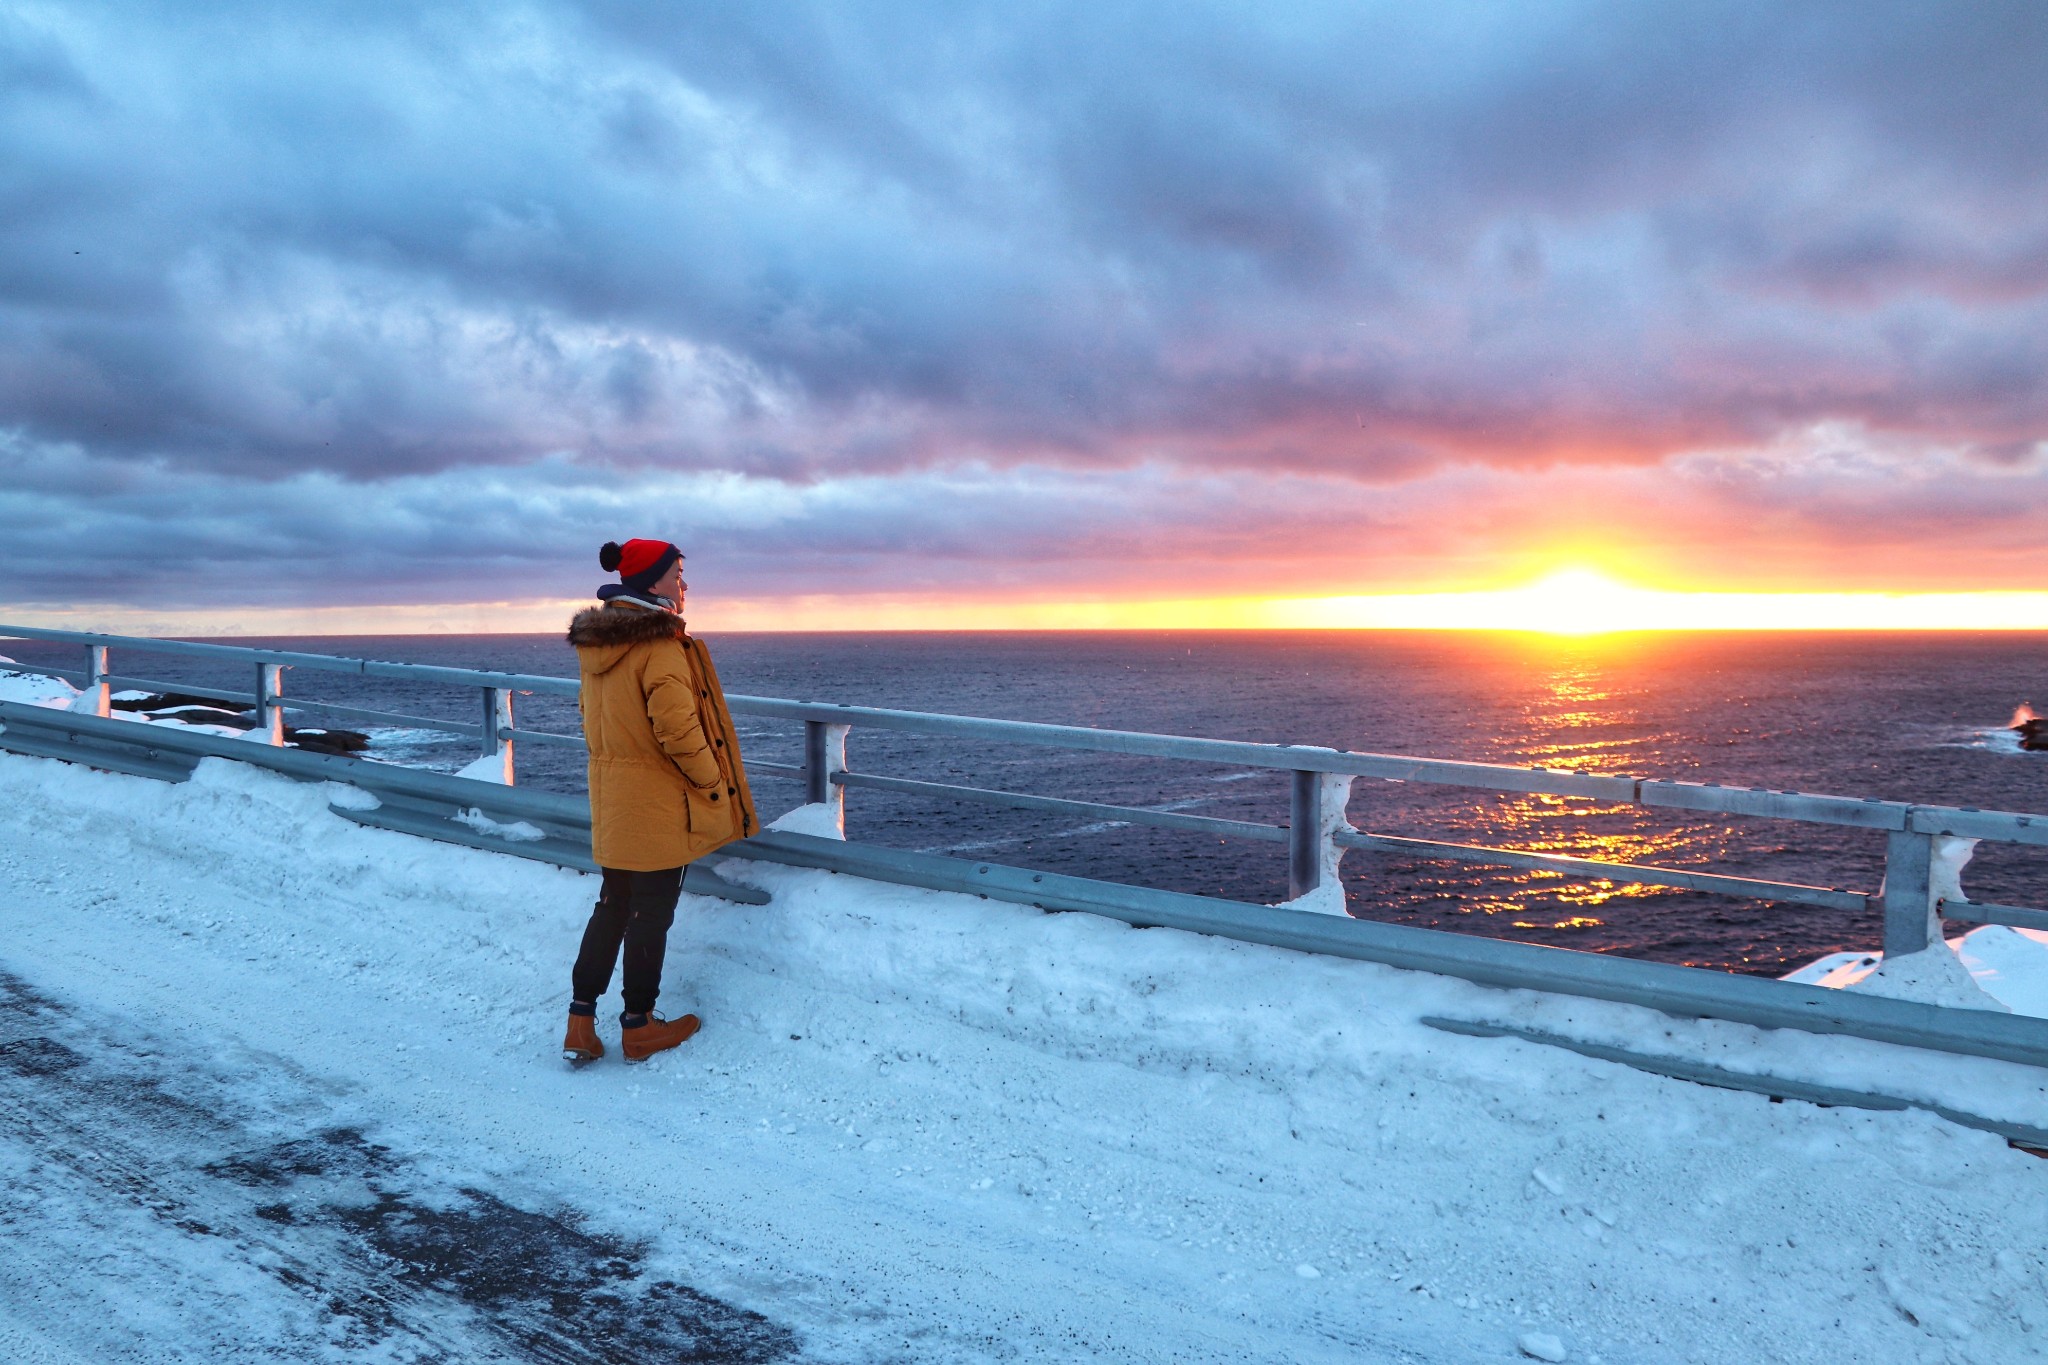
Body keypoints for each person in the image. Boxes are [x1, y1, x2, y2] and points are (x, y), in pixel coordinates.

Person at [561, 538, 757, 1063]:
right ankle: (639, 1025)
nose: (684, 585)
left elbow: (590, 717)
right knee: (651, 914)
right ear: (652, 584)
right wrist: (712, 783)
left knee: (611, 906)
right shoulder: (660, 645)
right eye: (677, 575)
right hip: (657, 802)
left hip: (614, 796)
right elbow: (678, 729)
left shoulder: (598, 645)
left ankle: (580, 1024)